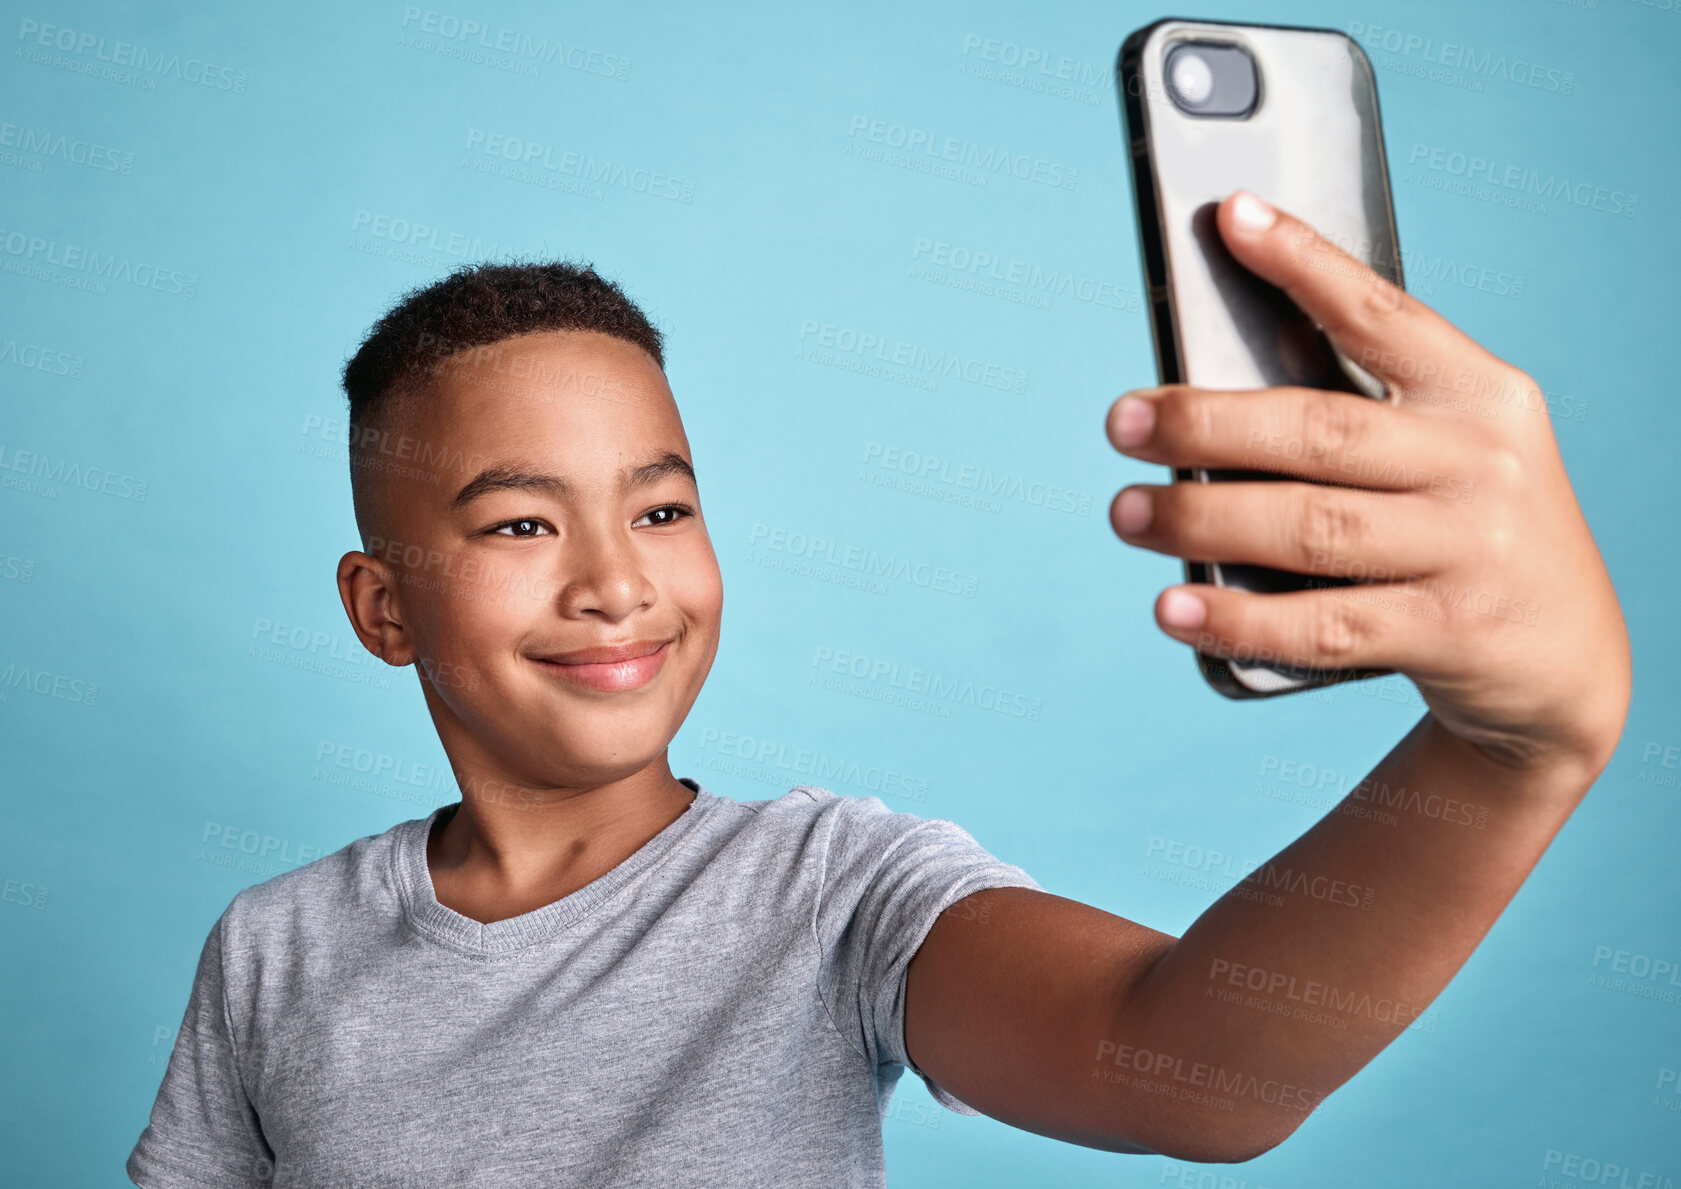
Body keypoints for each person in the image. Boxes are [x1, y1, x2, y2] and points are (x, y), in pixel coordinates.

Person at [126, 191, 1630, 1186]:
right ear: (382, 606)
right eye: (523, 523)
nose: (616, 581)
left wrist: (1502, 755)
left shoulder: (833, 889)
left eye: (661, 509)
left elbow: (1187, 1064)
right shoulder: (273, 948)